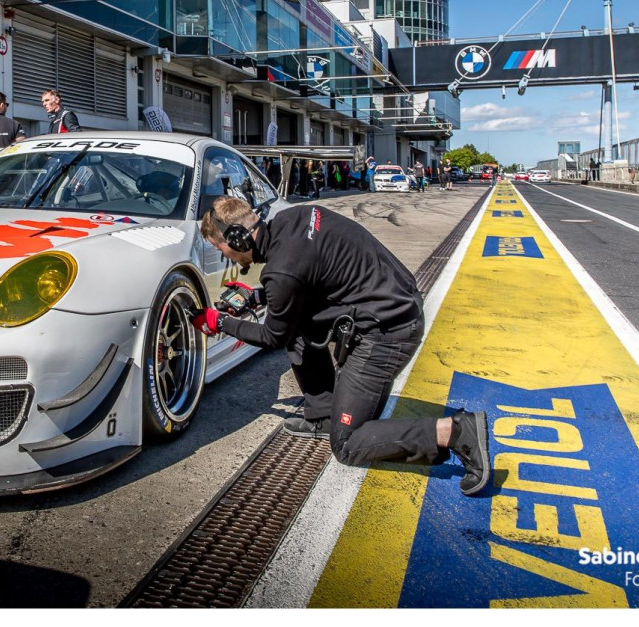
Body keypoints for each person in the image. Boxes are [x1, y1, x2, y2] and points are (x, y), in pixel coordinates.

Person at [194, 196, 490, 495]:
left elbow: (273, 336)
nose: (226, 257)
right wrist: (258, 297)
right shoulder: (298, 217)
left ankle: (455, 432)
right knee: (300, 330)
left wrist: (219, 322)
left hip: (388, 333)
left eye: (222, 250)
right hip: (395, 302)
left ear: (237, 238)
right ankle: (324, 417)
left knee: (348, 444)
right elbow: (311, 278)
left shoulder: (282, 271)